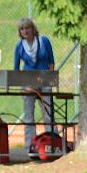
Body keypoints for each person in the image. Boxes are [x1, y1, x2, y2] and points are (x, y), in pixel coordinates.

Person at [12, 17, 55, 156]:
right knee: (29, 116)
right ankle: (30, 147)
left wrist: (50, 79)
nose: (25, 31)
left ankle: (52, 144)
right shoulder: (19, 46)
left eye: (27, 28)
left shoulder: (44, 41)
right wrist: (21, 84)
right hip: (28, 82)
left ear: (33, 29)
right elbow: (16, 68)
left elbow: (51, 61)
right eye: (22, 29)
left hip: (45, 81)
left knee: (48, 114)